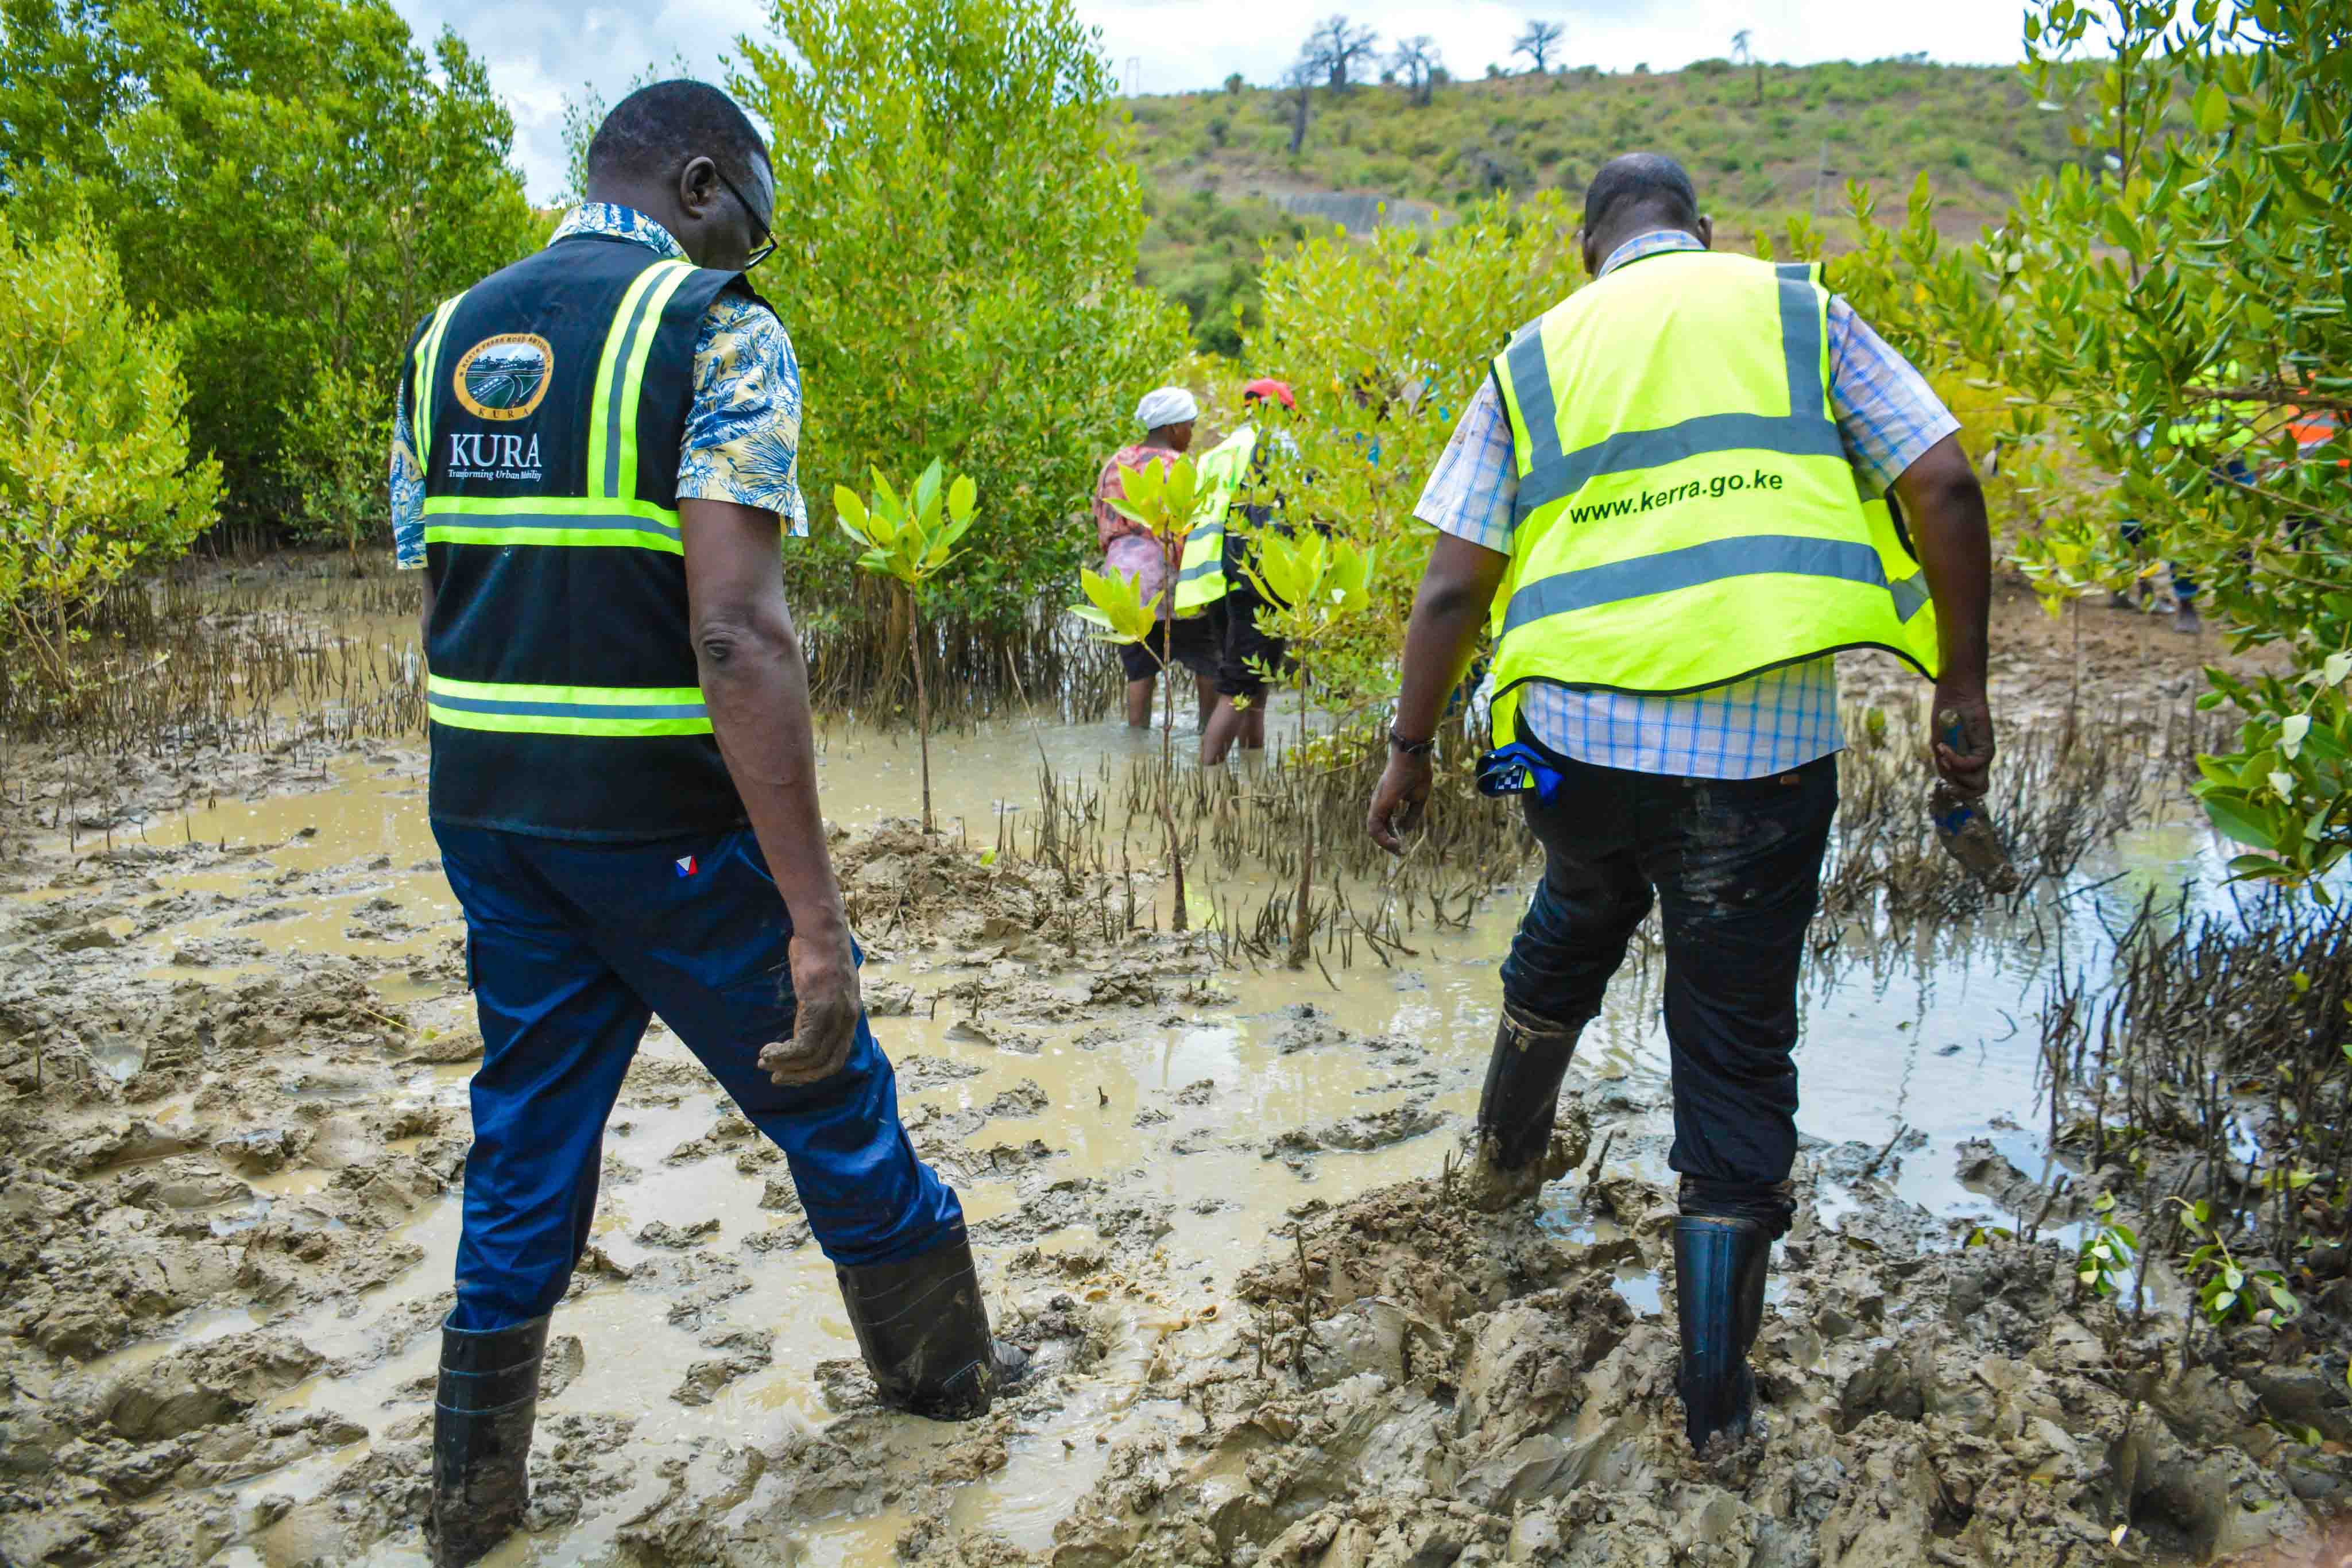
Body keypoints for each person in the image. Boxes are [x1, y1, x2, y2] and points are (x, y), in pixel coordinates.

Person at [389, 81, 1024, 1566]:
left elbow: (440, 591)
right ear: (695, 182)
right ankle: (947, 1393)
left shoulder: (444, 340)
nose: (756, 253)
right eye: (754, 218)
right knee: (830, 1086)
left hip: (489, 813)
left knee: (526, 1137)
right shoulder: (716, 328)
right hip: (659, 820)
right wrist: (818, 922)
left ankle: (471, 1498)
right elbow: (739, 633)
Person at [1365, 153, 1994, 1456]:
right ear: (1705, 233)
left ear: (1586, 248)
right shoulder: (1793, 310)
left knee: (1580, 895)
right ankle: (1714, 1413)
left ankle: (1498, 1157)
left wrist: (1409, 750)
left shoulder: (1535, 352)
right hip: (1757, 762)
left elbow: (1447, 593)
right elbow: (1945, 483)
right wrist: (1961, 688)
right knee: (1730, 1045)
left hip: (1562, 756)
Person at [1094, 386, 1218, 729]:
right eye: (1190, 426)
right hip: (1170, 579)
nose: (1192, 435)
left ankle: (1137, 745)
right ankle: (1208, 739)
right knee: (1208, 661)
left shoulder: (1115, 462)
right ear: (1174, 428)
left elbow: (1102, 522)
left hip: (1122, 580)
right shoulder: (1182, 468)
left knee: (1139, 670)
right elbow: (1192, 532)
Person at [1200, 378, 1297, 765]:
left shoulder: (1225, 449)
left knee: (1255, 686)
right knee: (1239, 688)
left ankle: (1251, 771)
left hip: (1221, 581)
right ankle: (1207, 780)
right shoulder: (1278, 450)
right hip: (1260, 585)